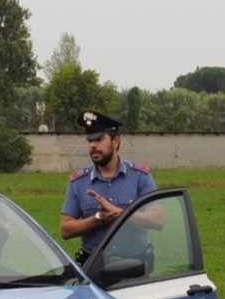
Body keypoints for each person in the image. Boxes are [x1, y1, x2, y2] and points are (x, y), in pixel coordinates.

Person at [60, 111, 159, 265]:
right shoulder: (78, 182)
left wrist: (120, 215)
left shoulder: (140, 176)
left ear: (116, 141)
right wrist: (97, 219)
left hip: (135, 268)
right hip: (94, 269)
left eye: (99, 139)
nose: (93, 145)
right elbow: (66, 229)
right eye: (90, 141)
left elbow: (157, 220)